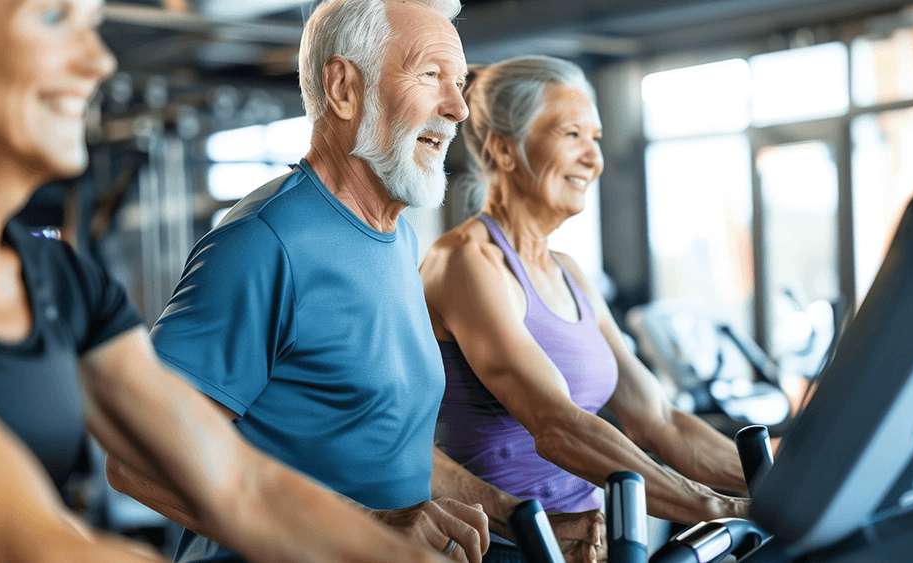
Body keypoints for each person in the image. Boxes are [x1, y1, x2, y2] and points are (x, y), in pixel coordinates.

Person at [0, 0, 466, 561]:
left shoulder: (59, 280)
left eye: (92, 26)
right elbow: (21, 536)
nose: (98, 61)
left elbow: (237, 483)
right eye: (52, 18)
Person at [113, 1, 603, 562]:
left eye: (460, 82)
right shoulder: (265, 242)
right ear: (344, 87)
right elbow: (137, 458)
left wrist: (521, 519)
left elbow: (394, 446)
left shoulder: (398, 240)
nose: (460, 109)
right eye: (429, 76)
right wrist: (368, 526)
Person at [421, 54, 752, 562]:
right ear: (505, 149)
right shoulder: (467, 261)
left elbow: (658, 417)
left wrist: (783, 480)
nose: (593, 158)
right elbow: (556, 424)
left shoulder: (570, 272)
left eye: (595, 139)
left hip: (589, 546)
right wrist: (715, 506)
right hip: (505, 546)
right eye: (572, 134)